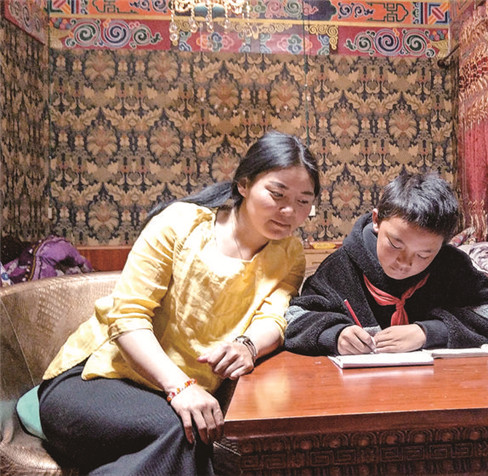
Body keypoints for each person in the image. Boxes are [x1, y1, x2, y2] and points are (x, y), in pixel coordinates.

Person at [35, 131, 320, 474]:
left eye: (304, 201)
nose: (289, 211)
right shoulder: (181, 224)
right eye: (277, 194)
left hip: (168, 396)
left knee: (196, 435)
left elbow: (273, 317)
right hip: (96, 378)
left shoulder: (288, 253)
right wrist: (180, 386)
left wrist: (247, 346)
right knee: (184, 433)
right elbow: (128, 317)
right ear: (244, 184)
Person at [284, 172, 488, 356]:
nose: (405, 263)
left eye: (424, 255)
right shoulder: (339, 268)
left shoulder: (451, 266)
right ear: (376, 220)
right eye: (395, 244)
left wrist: (428, 332)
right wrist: (335, 334)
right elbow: (294, 319)